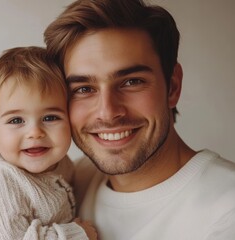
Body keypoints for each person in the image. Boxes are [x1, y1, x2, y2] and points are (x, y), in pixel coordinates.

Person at [44, 0, 235, 239]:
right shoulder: (69, 183)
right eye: (83, 89)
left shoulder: (227, 212)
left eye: (132, 82)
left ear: (173, 87)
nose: (108, 112)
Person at [0, 46, 97, 240]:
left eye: (50, 117)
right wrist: (79, 234)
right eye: (16, 120)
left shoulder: (63, 164)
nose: (35, 133)